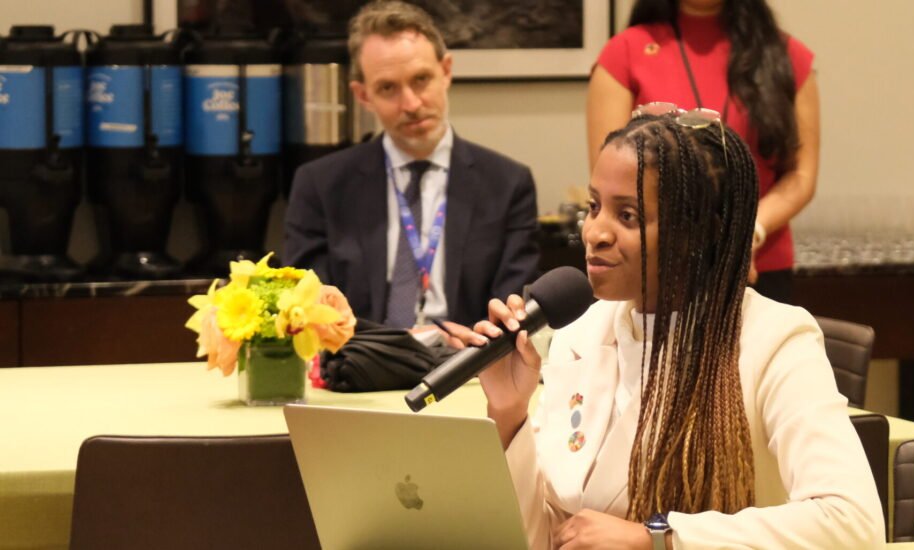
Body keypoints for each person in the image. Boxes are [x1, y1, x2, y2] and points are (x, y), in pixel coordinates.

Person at [451, 111, 882, 549]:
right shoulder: (581, 334)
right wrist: (509, 413)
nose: (595, 233)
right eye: (594, 207)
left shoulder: (773, 340)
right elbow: (545, 536)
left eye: (628, 215)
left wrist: (658, 539)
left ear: (700, 232)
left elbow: (852, 523)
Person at [283, 0, 539, 331]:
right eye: (388, 88)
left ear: (446, 71)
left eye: (421, 79)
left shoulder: (507, 184)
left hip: (468, 357)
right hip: (361, 357)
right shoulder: (320, 186)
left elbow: (513, 311)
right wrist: (397, 343)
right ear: (363, 95)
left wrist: (463, 341)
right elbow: (310, 314)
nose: (411, 104)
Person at [586, 0, 819, 303]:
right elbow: (611, 175)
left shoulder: (785, 55)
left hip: (759, 263)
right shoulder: (624, 53)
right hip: (656, 270)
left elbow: (801, 174)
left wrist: (747, 234)